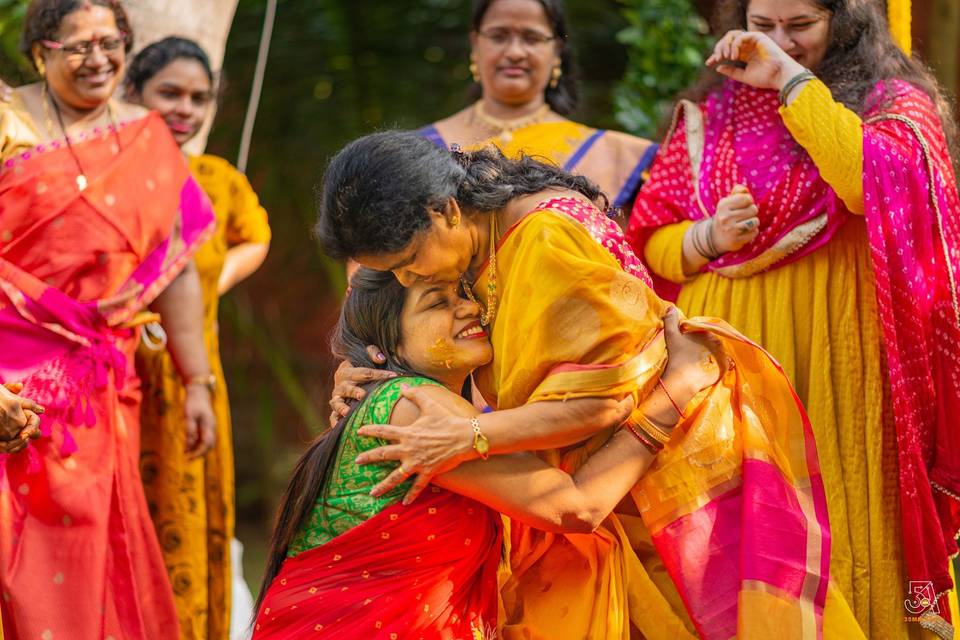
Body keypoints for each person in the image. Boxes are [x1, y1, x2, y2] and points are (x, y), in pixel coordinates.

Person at [316, 131, 865, 639]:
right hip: (617, 478)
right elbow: (382, 322)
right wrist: (357, 369)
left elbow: (603, 399)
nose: (408, 280)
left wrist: (469, 435)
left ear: (446, 210)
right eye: (395, 273)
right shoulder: (476, 233)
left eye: (410, 264)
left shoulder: (542, 240)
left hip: (668, 477)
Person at [625, 1, 960, 637]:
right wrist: (706, 238)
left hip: (840, 356)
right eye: (764, 26)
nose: (780, 41)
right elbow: (651, 245)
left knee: (839, 521)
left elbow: (868, 183)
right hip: (732, 368)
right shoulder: (715, 114)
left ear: (845, 20)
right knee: (741, 543)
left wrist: (790, 83)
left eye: (800, 25)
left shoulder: (892, 101)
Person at [254, 267, 718, 638]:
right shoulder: (413, 404)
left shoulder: (449, 406)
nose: (468, 308)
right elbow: (575, 506)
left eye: (463, 293)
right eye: (438, 302)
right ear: (386, 348)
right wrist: (676, 392)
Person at [0, 1, 217, 637]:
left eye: (111, 42)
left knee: (94, 533)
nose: (99, 59)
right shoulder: (9, 120)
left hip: (100, 385)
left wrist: (196, 381)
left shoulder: (147, 135)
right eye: (78, 46)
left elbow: (173, 269)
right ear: (40, 51)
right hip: (11, 374)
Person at [123, 36, 271, 640]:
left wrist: (210, 284)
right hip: (114, 374)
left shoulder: (215, 179)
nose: (186, 108)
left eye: (199, 98)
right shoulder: (104, 173)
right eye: (171, 94)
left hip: (193, 379)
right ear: (133, 93)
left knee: (184, 522)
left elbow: (256, 236)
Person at [420, 0, 657, 215]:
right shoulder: (423, 148)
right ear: (475, 44)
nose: (514, 52)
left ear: (557, 52)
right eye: (498, 36)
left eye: (532, 38)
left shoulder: (617, 157)